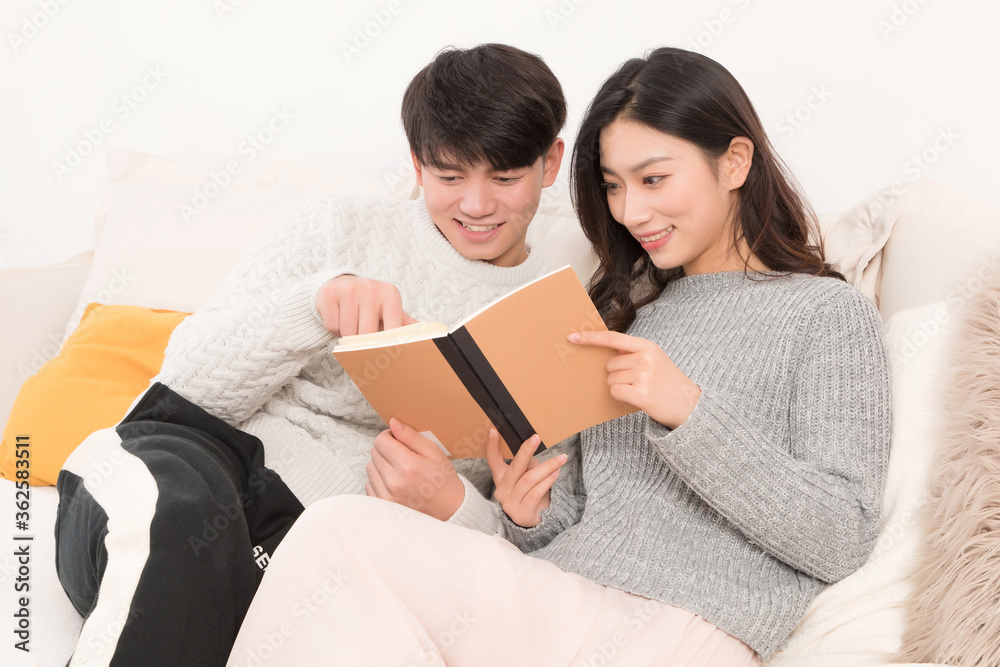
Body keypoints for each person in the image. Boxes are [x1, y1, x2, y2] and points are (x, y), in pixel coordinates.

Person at [223, 47, 892, 666]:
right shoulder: (627, 317)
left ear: (736, 162)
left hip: (681, 631)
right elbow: (571, 523)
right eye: (613, 186)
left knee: (342, 531)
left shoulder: (826, 313)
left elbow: (840, 537)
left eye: (654, 178)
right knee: (344, 566)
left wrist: (687, 411)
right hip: (563, 605)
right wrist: (523, 514)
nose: (632, 211)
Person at [54, 43, 570, 666]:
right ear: (415, 164)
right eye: (450, 176)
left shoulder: (557, 325)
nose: (477, 205)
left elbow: (536, 564)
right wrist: (317, 306)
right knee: (180, 523)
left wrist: (455, 506)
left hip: (313, 565)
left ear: (550, 164)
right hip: (198, 469)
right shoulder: (334, 229)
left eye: (506, 178)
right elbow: (187, 381)